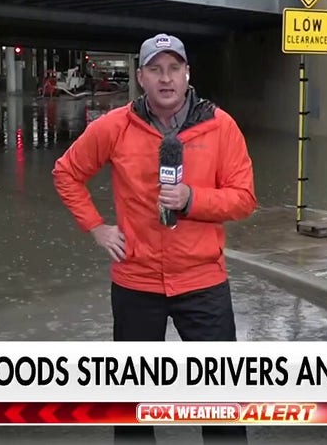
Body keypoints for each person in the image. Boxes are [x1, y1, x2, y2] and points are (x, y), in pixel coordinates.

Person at [52, 33, 256, 444]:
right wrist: (96, 227)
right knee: (132, 408)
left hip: (203, 281)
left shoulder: (221, 127)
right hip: (136, 281)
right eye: (155, 69)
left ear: (187, 74)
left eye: (174, 68)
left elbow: (244, 199)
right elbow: (66, 173)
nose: (166, 78)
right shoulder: (114, 127)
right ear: (140, 77)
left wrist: (192, 199)